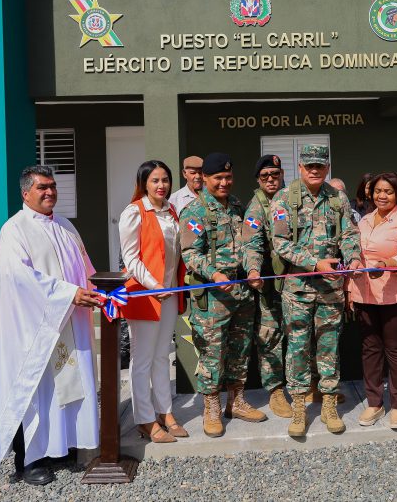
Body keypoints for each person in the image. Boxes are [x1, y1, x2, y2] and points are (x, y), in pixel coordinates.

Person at [0, 165, 104, 485]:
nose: (50, 191)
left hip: (69, 321)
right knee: (35, 390)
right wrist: (69, 294)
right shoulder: (15, 230)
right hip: (33, 330)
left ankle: (60, 448)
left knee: (68, 383)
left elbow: (84, 267)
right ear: (26, 193)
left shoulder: (65, 225)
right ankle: (31, 460)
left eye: (52, 186)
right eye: (42, 187)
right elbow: (19, 279)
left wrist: (95, 290)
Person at [270, 144, 362, 437]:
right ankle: (299, 408)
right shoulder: (284, 199)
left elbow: (349, 234)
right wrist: (314, 262)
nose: (314, 170)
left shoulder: (338, 199)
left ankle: (329, 405)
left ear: (326, 167)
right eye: (308, 165)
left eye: (319, 166)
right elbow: (280, 243)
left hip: (330, 289)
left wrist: (355, 256)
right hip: (297, 288)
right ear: (299, 167)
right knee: (297, 348)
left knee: (329, 347)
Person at [180, 153, 262, 438]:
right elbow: (190, 253)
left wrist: (252, 269)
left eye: (228, 177)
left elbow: (251, 242)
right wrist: (214, 274)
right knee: (213, 353)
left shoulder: (238, 206)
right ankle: (211, 407)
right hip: (214, 296)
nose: (225, 182)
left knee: (240, 349)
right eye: (218, 178)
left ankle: (236, 401)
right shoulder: (195, 212)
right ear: (204, 178)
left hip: (242, 292)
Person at [119, 160, 188, 443]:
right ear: (144, 184)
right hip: (146, 295)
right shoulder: (133, 212)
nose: (162, 186)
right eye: (155, 181)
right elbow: (131, 259)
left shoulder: (171, 211)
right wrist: (153, 285)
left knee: (163, 356)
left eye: (165, 180)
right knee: (142, 360)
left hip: (169, 293)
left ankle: (165, 411)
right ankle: (145, 419)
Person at [347, 172, 397, 430]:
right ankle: (374, 403)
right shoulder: (364, 221)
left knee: (396, 351)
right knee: (370, 350)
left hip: (395, 295)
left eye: (388, 191)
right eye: (378, 190)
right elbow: (354, 252)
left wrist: (388, 264)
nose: (382, 195)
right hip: (365, 293)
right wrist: (351, 282)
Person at [242, 155, 293, 418]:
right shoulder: (255, 208)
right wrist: (252, 269)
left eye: (275, 174)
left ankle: (307, 387)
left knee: (300, 335)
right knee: (270, 338)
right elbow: (251, 245)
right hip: (268, 285)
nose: (271, 180)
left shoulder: (291, 200)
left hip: (294, 282)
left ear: (282, 174)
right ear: (258, 180)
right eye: (265, 176)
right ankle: (275, 393)